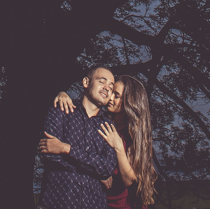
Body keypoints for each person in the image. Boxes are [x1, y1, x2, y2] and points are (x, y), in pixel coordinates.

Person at [52, 74, 157, 207]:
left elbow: (128, 180)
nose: (111, 97)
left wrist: (118, 146)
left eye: (117, 96)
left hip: (125, 204)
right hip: (98, 201)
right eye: (112, 92)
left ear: (130, 102)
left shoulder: (131, 136)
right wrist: (63, 95)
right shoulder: (100, 122)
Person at [37, 66, 119, 209]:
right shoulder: (60, 109)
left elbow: (106, 168)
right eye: (102, 81)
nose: (107, 88)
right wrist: (95, 172)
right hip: (58, 201)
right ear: (86, 82)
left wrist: (66, 149)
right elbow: (50, 156)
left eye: (111, 87)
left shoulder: (109, 127)